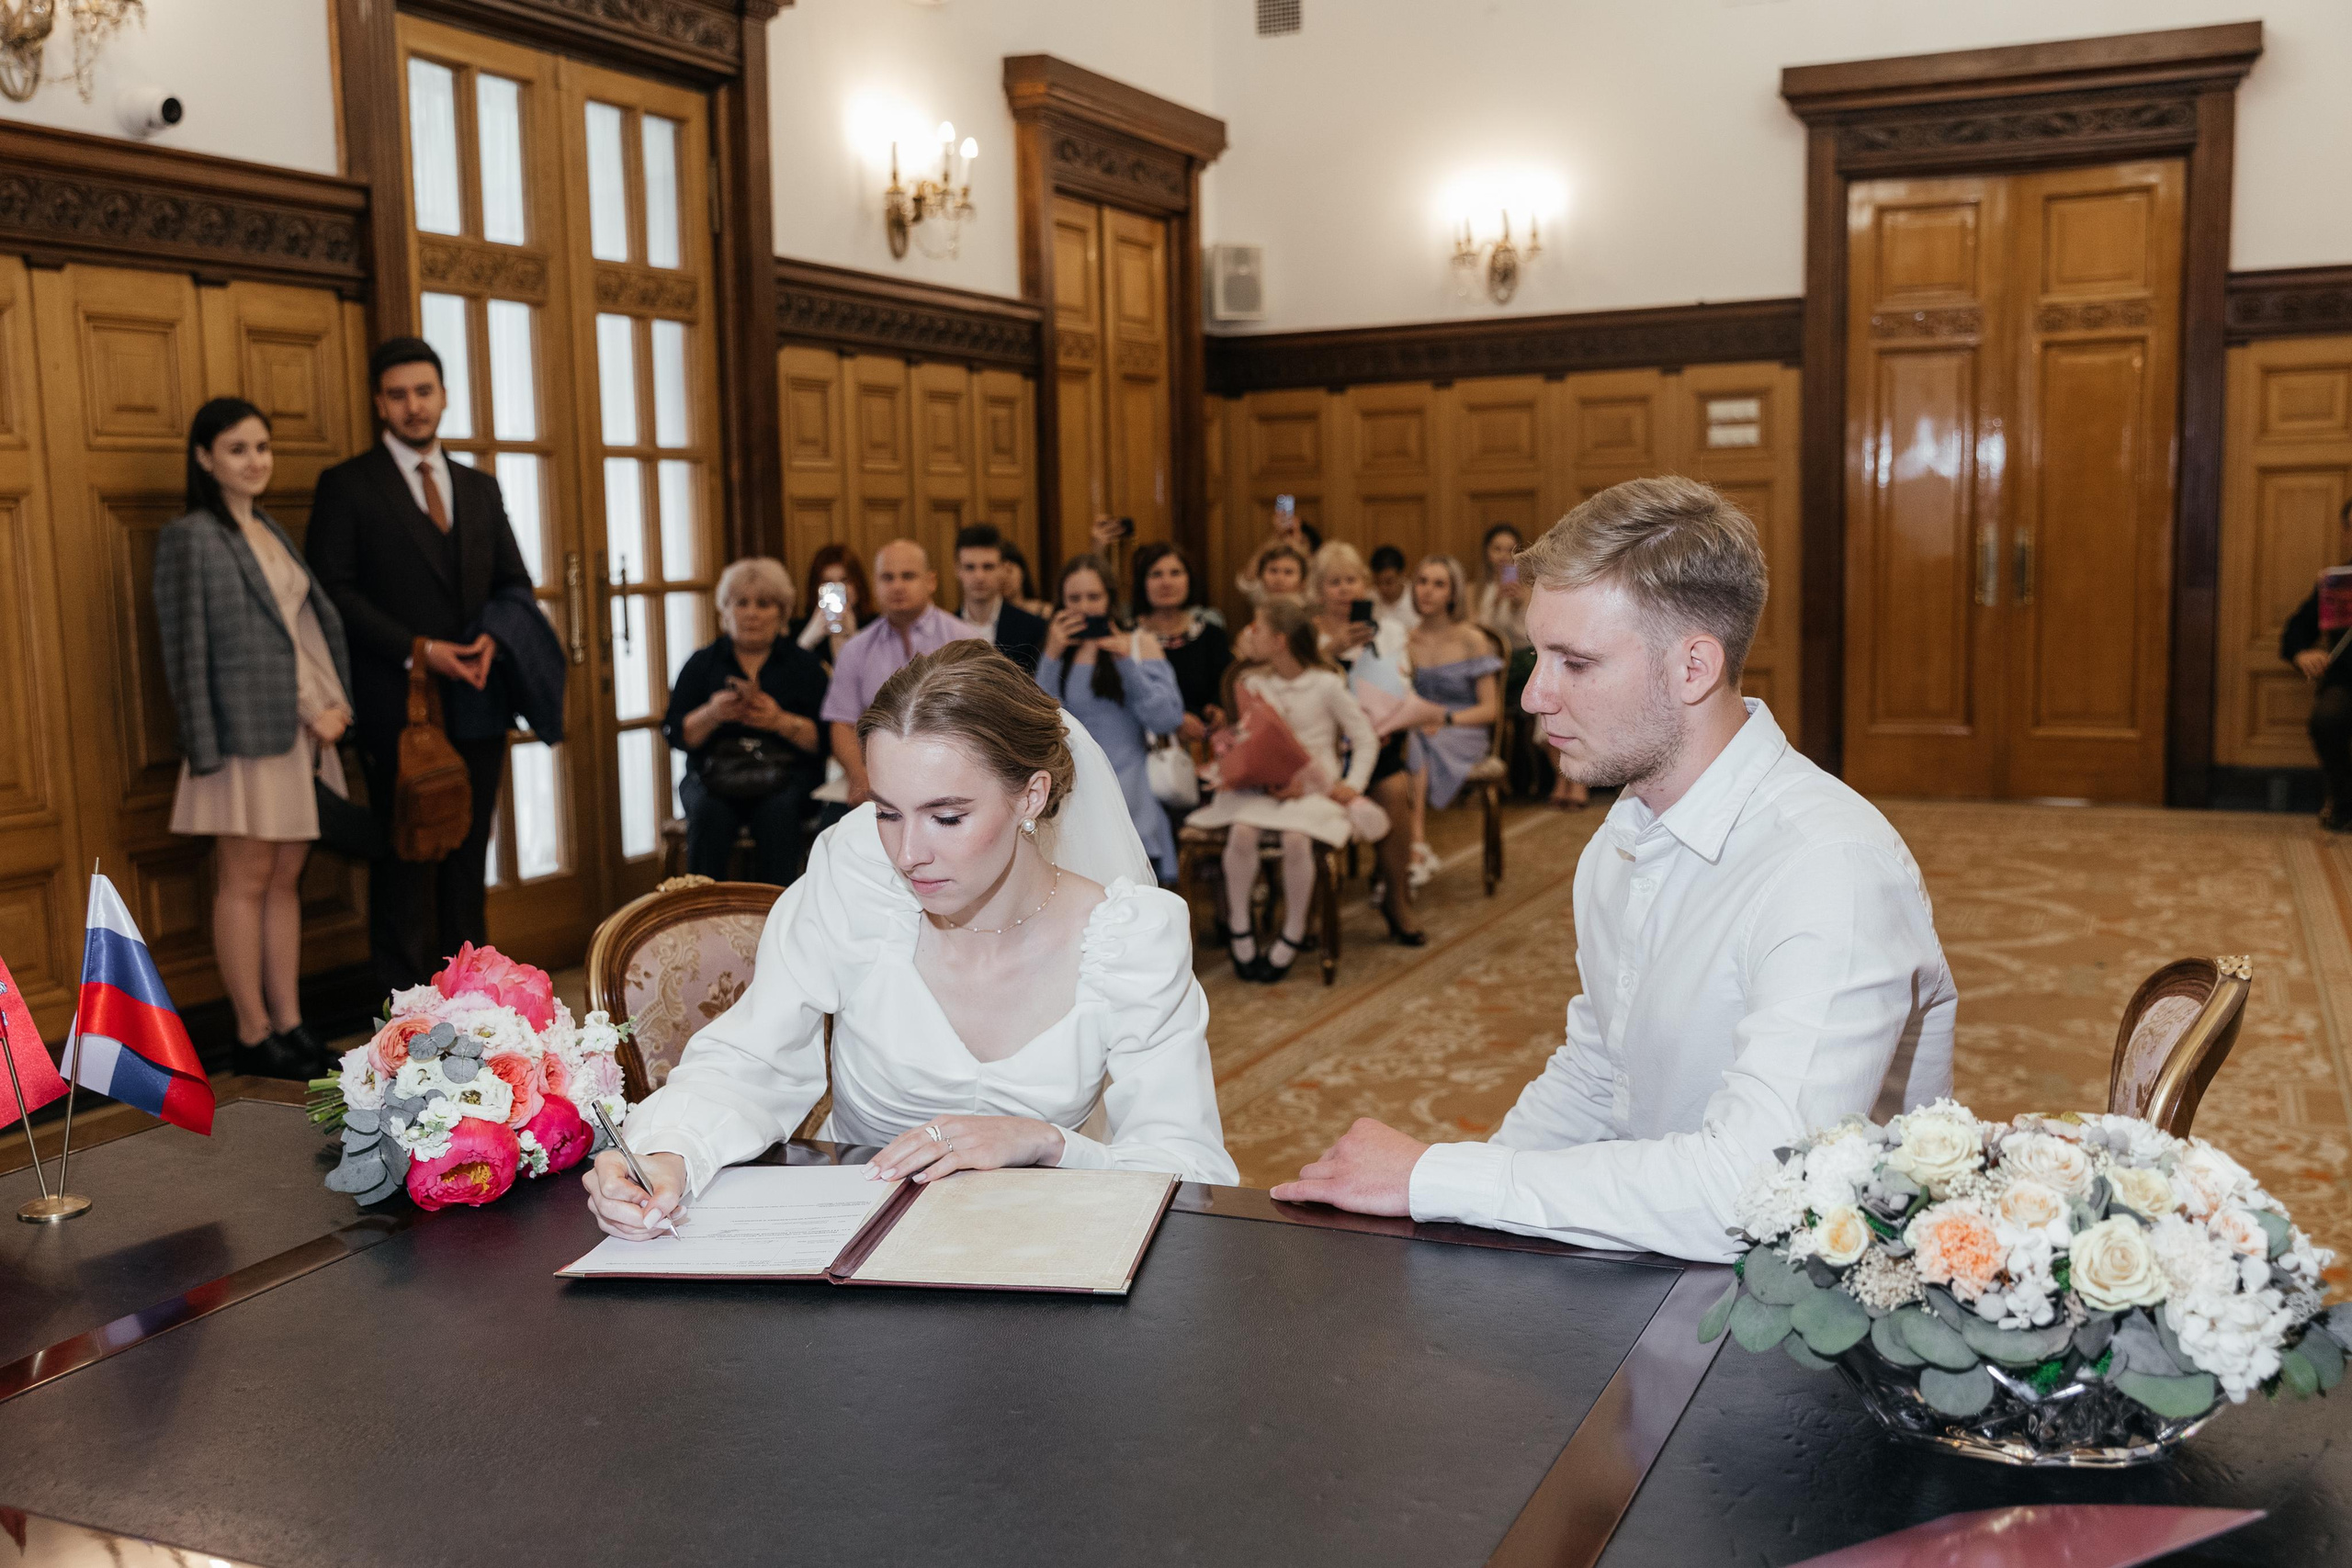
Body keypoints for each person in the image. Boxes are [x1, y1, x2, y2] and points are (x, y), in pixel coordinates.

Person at [1272, 478, 1958, 1263]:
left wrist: (1438, 1176)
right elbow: (1602, 1070)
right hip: (1663, 1259)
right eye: (1539, 656)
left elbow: (1757, 1190)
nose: (1534, 696)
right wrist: (1458, 1219)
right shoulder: (1621, 836)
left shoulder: (1829, 871)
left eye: (1575, 662)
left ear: (1693, 667)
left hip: (1803, 1296)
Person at [585, 640, 1238, 1235]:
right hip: (850, 1236)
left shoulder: (1128, 937)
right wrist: (671, 1153)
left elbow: (1191, 1167)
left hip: (1039, 1244)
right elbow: (752, 1059)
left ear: (1031, 796)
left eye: (947, 817)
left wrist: (1049, 1143)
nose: (907, 854)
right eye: (887, 812)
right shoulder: (859, 877)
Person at [306, 337, 534, 994]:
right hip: (395, 704)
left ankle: (477, 1006)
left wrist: (493, 638)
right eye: (398, 394)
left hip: (479, 697)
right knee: (404, 861)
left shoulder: (480, 487)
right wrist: (420, 649)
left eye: (424, 391)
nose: (413, 406)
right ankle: (403, 1016)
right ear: (380, 403)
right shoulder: (347, 485)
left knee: (467, 860)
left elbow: (514, 583)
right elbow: (333, 590)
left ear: (443, 396)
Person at [153, 398, 356, 1079]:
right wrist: (203, 746)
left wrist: (329, 706)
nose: (255, 461)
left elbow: (296, 633)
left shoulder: (268, 528)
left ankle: (291, 1024)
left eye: (262, 447)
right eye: (237, 449)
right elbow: (185, 650)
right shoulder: (191, 537)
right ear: (204, 458)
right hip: (239, 737)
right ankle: (251, 1032)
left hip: (296, 733)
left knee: (286, 877)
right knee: (244, 878)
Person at [1185, 598, 1379, 982]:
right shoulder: (1253, 684)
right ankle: (1240, 927)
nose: (1249, 635)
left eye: (1257, 628)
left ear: (1280, 640)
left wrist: (1352, 783)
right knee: (1242, 832)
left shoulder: (1326, 685)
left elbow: (1365, 737)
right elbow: (1251, 741)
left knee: (1296, 838)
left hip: (1313, 791)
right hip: (1263, 789)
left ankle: (1293, 931)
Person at [663, 558, 830, 884]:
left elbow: (824, 740)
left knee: (778, 812)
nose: (751, 613)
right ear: (725, 611)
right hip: (713, 775)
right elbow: (677, 734)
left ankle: (776, 909)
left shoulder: (805, 667)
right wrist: (712, 714)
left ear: (782, 613)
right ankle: (703, 908)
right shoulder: (702, 664)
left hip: (787, 776)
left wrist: (779, 721)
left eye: (764, 604)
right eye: (741, 603)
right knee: (708, 812)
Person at [1039, 555, 1185, 883]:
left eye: (1094, 597)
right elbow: (1041, 719)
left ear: (1110, 599)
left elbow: (1167, 719)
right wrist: (1051, 654)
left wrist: (1125, 662)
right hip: (1073, 791)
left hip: (1131, 789)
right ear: (1061, 602)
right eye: (1074, 598)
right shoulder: (1057, 650)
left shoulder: (1139, 644)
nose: (1084, 607)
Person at [1310, 541, 1424, 944]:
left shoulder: (1389, 630)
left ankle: (1397, 897)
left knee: (1394, 789)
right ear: (1319, 590)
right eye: (1334, 582)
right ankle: (1311, 908)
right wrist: (1331, 651)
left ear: (1365, 585)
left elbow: (1402, 686)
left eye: (1352, 580)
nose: (1345, 589)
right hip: (1319, 749)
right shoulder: (1307, 635)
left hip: (1375, 741)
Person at [819, 539, 984, 806]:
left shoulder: (965, 641)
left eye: (908, 576)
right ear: (875, 584)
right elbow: (842, 724)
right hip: (876, 779)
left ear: (931, 582)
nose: (897, 586)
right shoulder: (855, 649)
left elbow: (983, 720)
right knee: (833, 826)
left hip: (950, 776)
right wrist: (859, 776)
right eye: (888, 577)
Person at [1403, 554, 1502, 883]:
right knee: (1407, 742)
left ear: (1453, 593)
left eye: (1438, 584)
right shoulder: (1404, 640)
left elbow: (1490, 710)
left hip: (1464, 729)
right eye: (1422, 582)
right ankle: (1411, 848)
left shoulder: (1472, 639)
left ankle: (1415, 845)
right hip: (1416, 728)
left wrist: (1444, 720)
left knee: (1411, 744)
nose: (1427, 590)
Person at [1479, 521, 1586, 810]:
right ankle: (1561, 779)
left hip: (1530, 663)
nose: (1503, 556)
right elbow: (1480, 636)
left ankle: (1568, 780)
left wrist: (1519, 605)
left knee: (1550, 704)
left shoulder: (1532, 589)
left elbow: (1536, 635)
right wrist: (1495, 604)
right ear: (1487, 553)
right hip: (1496, 670)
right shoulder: (1480, 591)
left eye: (1510, 549)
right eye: (1497, 549)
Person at [2280, 496, 2352, 831]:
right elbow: (2296, 629)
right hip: (2347, 681)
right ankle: (2344, 801)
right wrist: (2301, 653)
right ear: (2346, 534)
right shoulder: (2338, 584)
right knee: (2327, 719)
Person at [1133, 542, 1231, 744]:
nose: (1166, 582)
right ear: (1143, 583)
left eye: (1175, 573)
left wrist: (1218, 709)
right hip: (1146, 745)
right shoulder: (1129, 638)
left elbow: (1226, 686)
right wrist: (1175, 720)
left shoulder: (1212, 635)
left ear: (1189, 579)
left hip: (1205, 745)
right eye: (1156, 574)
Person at [954, 523, 1049, 673]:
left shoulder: (1033, 628)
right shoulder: (945, 628)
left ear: (1003, 569)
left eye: (988, 567)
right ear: (957, 570)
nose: (979, 576)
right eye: (970, 567)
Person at [794, 544, 868, 670]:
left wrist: (855, 637)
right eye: (827, 582)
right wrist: (807, 640)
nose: (837, 589)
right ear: (815, 588)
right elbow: (786, 676)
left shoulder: (876, 627)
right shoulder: (796, 629)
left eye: (845, 580)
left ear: (858, 585)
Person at [1369, 544, 1419, 637]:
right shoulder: (1369, 599)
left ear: (1402, 574)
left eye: (1389, 582)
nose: (1383, 588)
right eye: (1377, 582)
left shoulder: (1418, 598)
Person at [1239, 538, 1309, 604]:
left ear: (1303, 580)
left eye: (1288, 572)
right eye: (1273, 571)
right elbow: (1246, 583)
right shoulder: (1260, 596)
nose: (1279, 579)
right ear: (1261, 574)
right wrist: (1268, 546)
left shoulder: (1309, 602)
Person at [999, 540, 1052, 618]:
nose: (1004, 577)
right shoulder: (990, 617)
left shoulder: (1044, 611)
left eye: (1009, 570)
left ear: (1023, 571)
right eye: (999, 572)